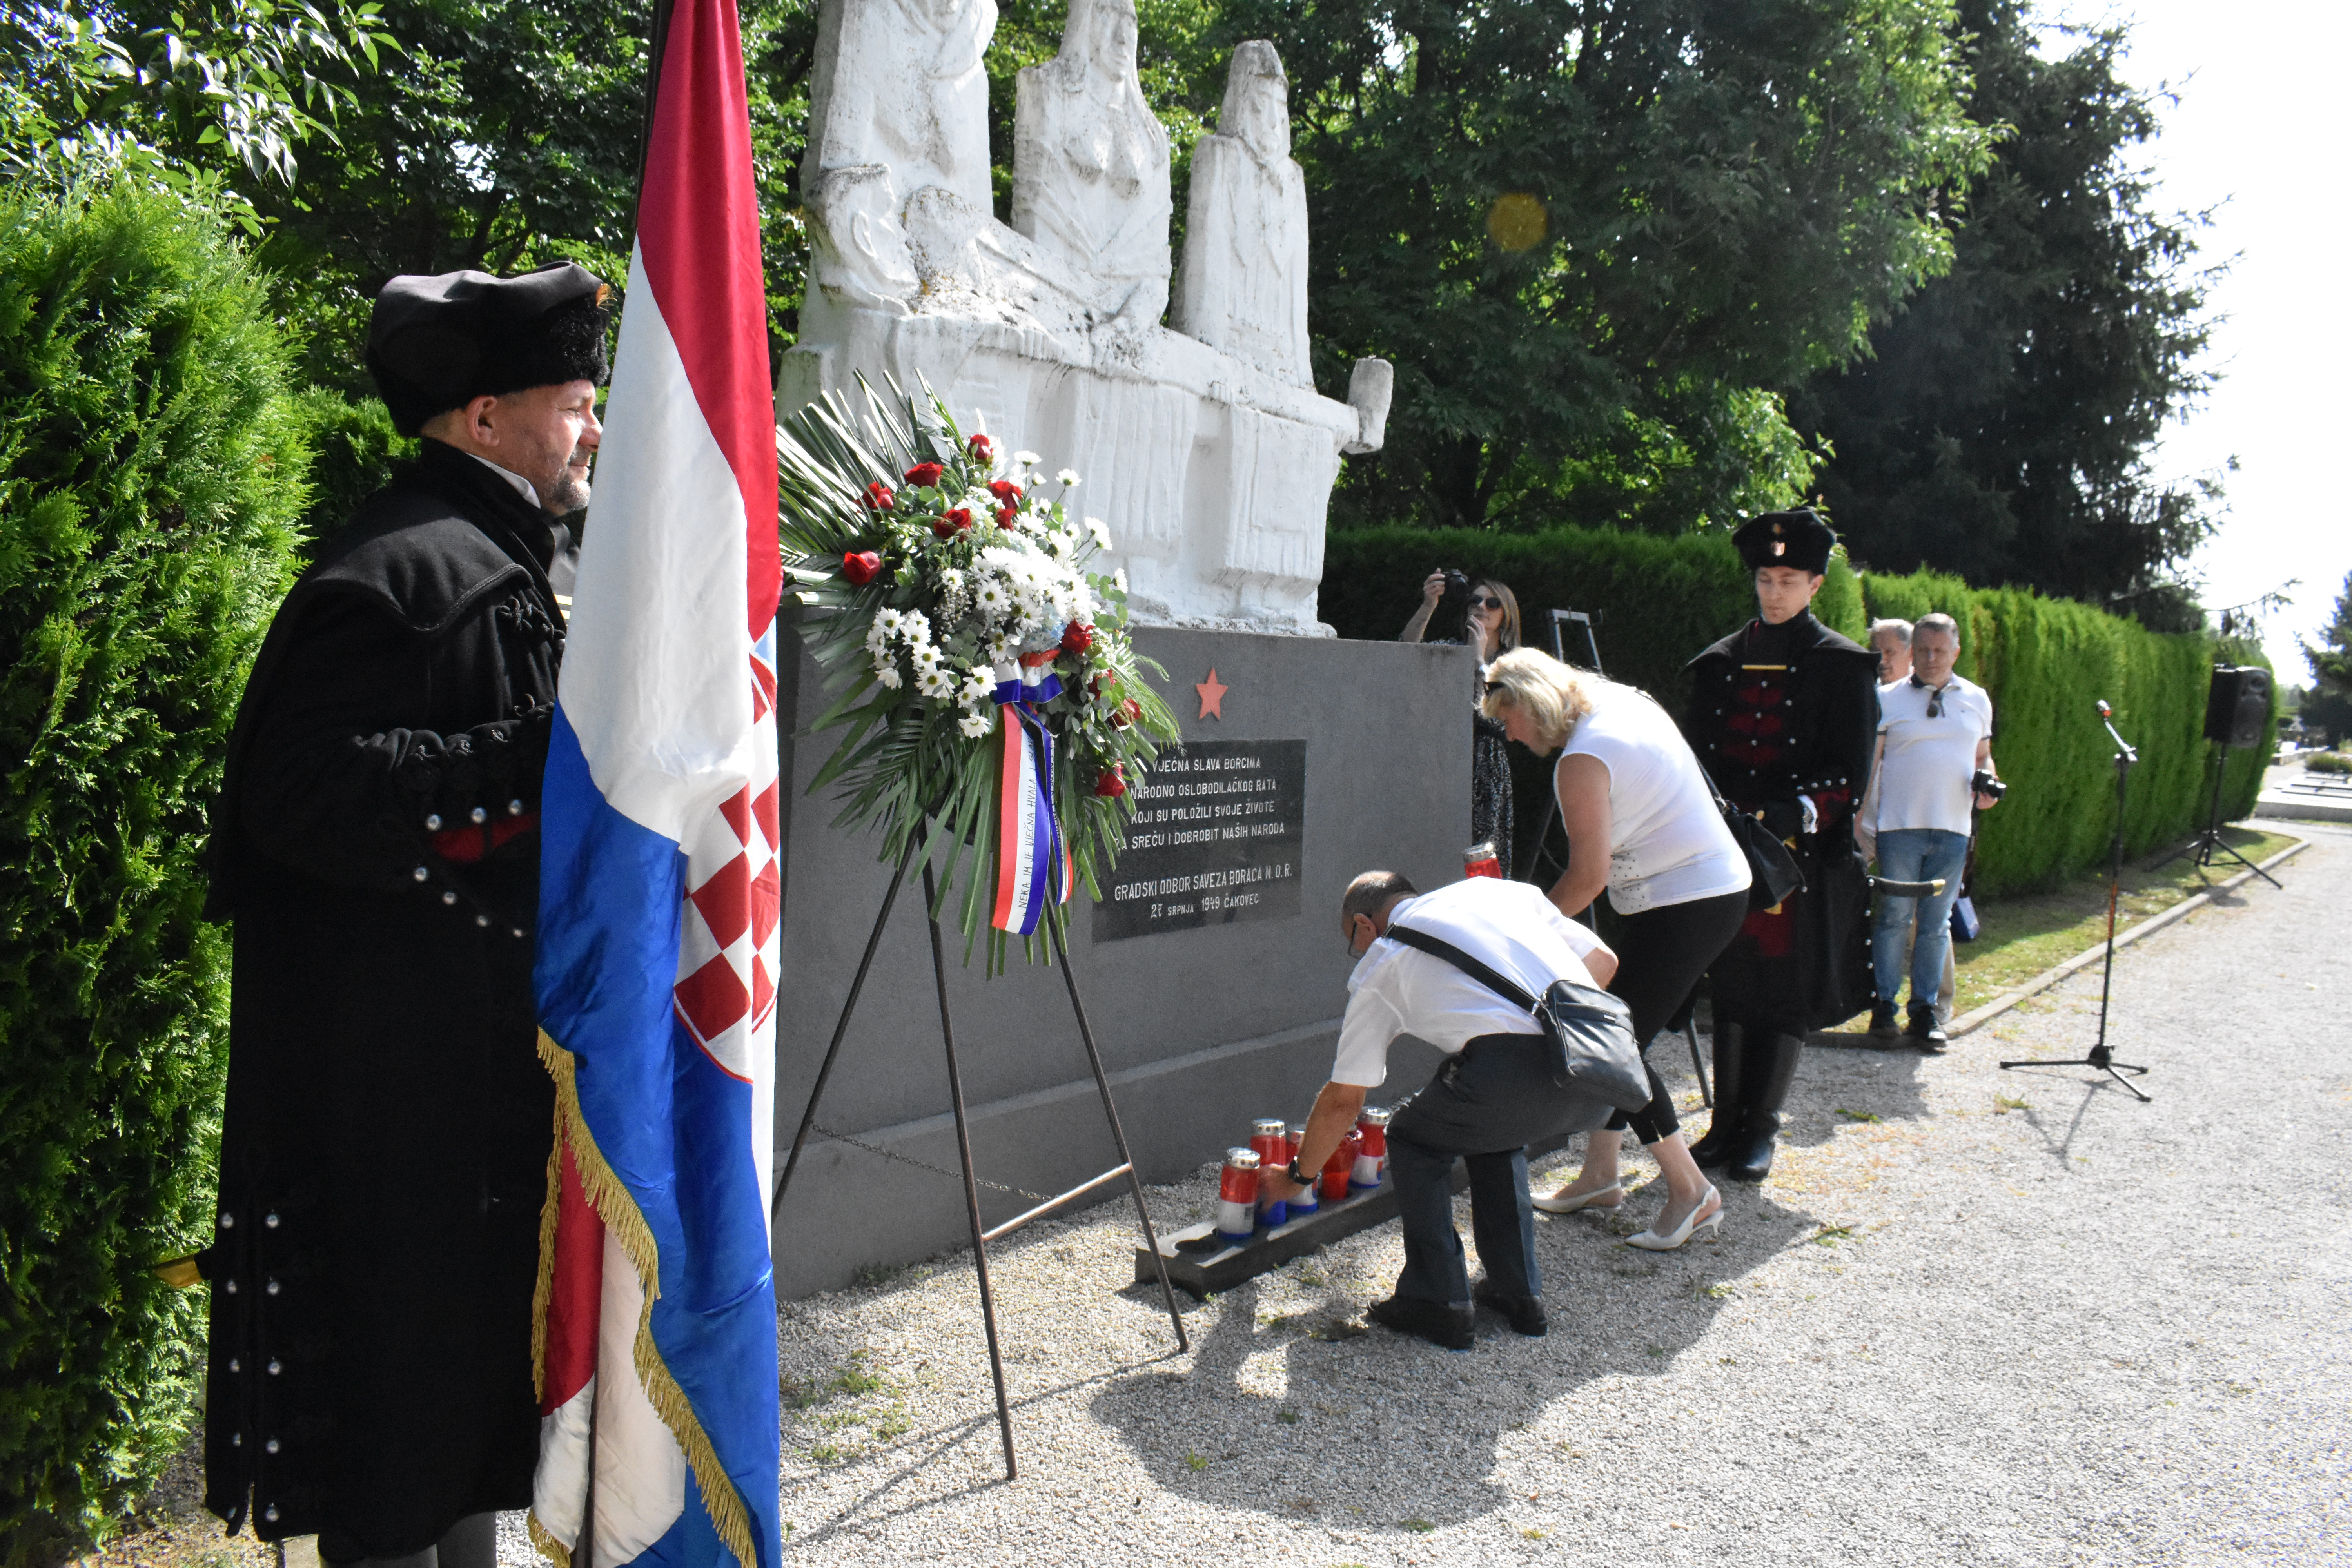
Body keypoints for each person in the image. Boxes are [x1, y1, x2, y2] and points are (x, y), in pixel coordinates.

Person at [200, 264, 608, 1565]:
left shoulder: (497, 561)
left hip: (468, 1096)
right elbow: (296, 800)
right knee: (397, 1448)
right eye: (573, 404)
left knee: (465, 1440)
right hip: (393, 1113)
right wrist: (533, 760)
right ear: (483, 418)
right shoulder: (395, 575)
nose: (591, 429)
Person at [1258, 871, 1620, 1349]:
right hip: (1597, 1074)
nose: (1359, 951)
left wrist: (1296, 1178)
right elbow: (1603, 960)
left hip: (1514, 1075)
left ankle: (1438, 1301)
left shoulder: (1386, 960)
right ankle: (1519, 1294)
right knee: (1493, 1127)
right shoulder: (1492, 892)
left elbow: (1345, 1099)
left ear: (1365, 925)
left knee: (1411, 1135)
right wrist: (1547, 1039)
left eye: (1354, 941)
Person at [1480, 648, 1752, 1249]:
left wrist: (1518, 928)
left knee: (1615, 1047)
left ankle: (1691, 1190)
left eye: (1510, 720)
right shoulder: (1623, 700)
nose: (1512, 736)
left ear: (1534, 703)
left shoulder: (1581, 760)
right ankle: (1601, 1174)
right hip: (1702, 891)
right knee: (1625, 1028)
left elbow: (1586, 879)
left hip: (1687, 901)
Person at [1679, 509, 1879, 1184]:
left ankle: (1760, 1130)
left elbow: (1850, 773)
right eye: (1766, 578)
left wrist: (1799, 810)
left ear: (1815, 586)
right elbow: (1696, 761)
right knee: (1733, 983)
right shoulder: (1718, 663)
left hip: (1799, 858)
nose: (1774, 591)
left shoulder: (1844, 667)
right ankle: (1724, 1125)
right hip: (1728, 848)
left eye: (1789, 579)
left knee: (1785, 988)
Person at [1857, 612, 2001, 1048]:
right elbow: (1870, 767)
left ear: (1956, 652)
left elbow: (1984, 756)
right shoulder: (1888, 699)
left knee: (1936, 924)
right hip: (1901, 826)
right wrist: (1862, 826)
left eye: (1940, 650)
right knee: (1895, 919)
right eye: (1923, 650)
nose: (1932, 658)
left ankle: (1925, 1012)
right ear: (1912, 652)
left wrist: (1989, 784)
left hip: (1953, 828)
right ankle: (1884, 1008)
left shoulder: (1977, 700)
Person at [1401, 573, 1522, 875]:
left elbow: (1496, 720)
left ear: (1507, 614)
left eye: (1492, 603)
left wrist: (1479, 662)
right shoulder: (1452, 650)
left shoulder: (1515, 664)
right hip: (1443, 760)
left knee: (1481, 858)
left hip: (1485, 767)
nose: (1481, 606)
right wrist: (1429, 605)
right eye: (1474, 600)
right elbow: (1406, 652)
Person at [1870, 617, 1914, 684]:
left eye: (1889, 652)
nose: (1882, 661)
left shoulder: (1927, 692)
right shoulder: (1865, 691)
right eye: (1876, 652)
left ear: (1911, 654)